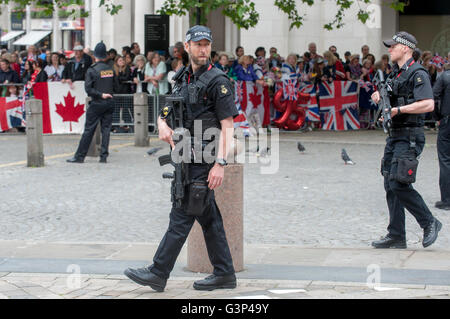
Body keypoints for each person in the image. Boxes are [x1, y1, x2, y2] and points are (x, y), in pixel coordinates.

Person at [124, 25, 238, 292]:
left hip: (204, 160)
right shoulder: (183, 77)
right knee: (209, 219)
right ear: (186, 47)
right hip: (185, 156)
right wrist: (162, 124)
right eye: (197, 44)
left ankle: (158, 271)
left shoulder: (217, 81)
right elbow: (167, 108)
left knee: (181, 214)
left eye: (206, 44)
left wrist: (221, 163)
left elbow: (228, 126)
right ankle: (225, 273)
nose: (202, 49)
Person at [371, 31, 442, 249]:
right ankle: (396, 235)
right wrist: (380, 99)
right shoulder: (396, 74)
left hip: (410, 135)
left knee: (398, 183)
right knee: (389, 183)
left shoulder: (417, 73)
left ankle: (429, 222)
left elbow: (428, 104)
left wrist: (397, 109)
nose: (390, 49)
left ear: (405, 48)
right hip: (395, 135)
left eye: (393, 46)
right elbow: (390, 100)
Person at [66, 42, 115, 164]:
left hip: (97, 102)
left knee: (89, 130)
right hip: (110, 102)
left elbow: (88, 89)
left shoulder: (92, 70)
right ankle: (103, 156)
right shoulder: (111, 70)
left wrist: (100, 94)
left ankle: (80, 156)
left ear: (95, 56)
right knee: (106, 130)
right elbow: (116, 86)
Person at [433, 63, 450, 210]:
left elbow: (434, 97)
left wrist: (437, 116)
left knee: (445, 160)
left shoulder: (445, 77)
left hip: (447, 120)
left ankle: (447, 200)